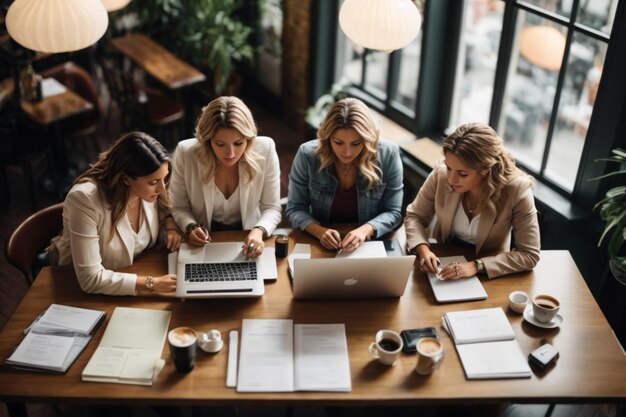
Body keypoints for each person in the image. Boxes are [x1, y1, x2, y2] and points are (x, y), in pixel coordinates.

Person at [48, 132, 181, 295]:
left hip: (134, 272)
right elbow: (91, 279)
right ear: (125, 179)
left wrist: (171, 225)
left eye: (164, 178)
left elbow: (168, 208)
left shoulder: (151, 187)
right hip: (79, 291)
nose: (162, 189)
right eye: (153, 182)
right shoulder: (84, 200)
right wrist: (152, 283)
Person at [404, 122, 540, 279]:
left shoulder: (517, 189)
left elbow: (529, 255)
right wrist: (424, 250)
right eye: (449, 167)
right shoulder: (441, 175)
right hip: (443, 261)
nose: (451, 179)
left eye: (462, 173)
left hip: (490, 269)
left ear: (485, 169)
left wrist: (477, 266)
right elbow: (414, 216)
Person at [169, 96, 281, 259]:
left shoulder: (266, 149)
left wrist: (259, 231)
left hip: (247, 236)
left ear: (248, 139)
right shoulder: (186, 153)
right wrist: (190, 227)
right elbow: (178, 207)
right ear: (207, 140)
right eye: (220, 144)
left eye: (238, 143)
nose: (230, 154)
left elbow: (272, 207)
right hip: (203, 241)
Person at [286, 97, 403, 252]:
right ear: (327, 138)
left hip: (369, 245)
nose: (347, 153)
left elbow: (393, 212)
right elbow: (295, 208)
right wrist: (320, 232)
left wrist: (365, 230)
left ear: (368, 139)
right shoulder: (307, 155)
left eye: (356, 143)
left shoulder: (389, 154)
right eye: (338, 142)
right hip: (320, 243)